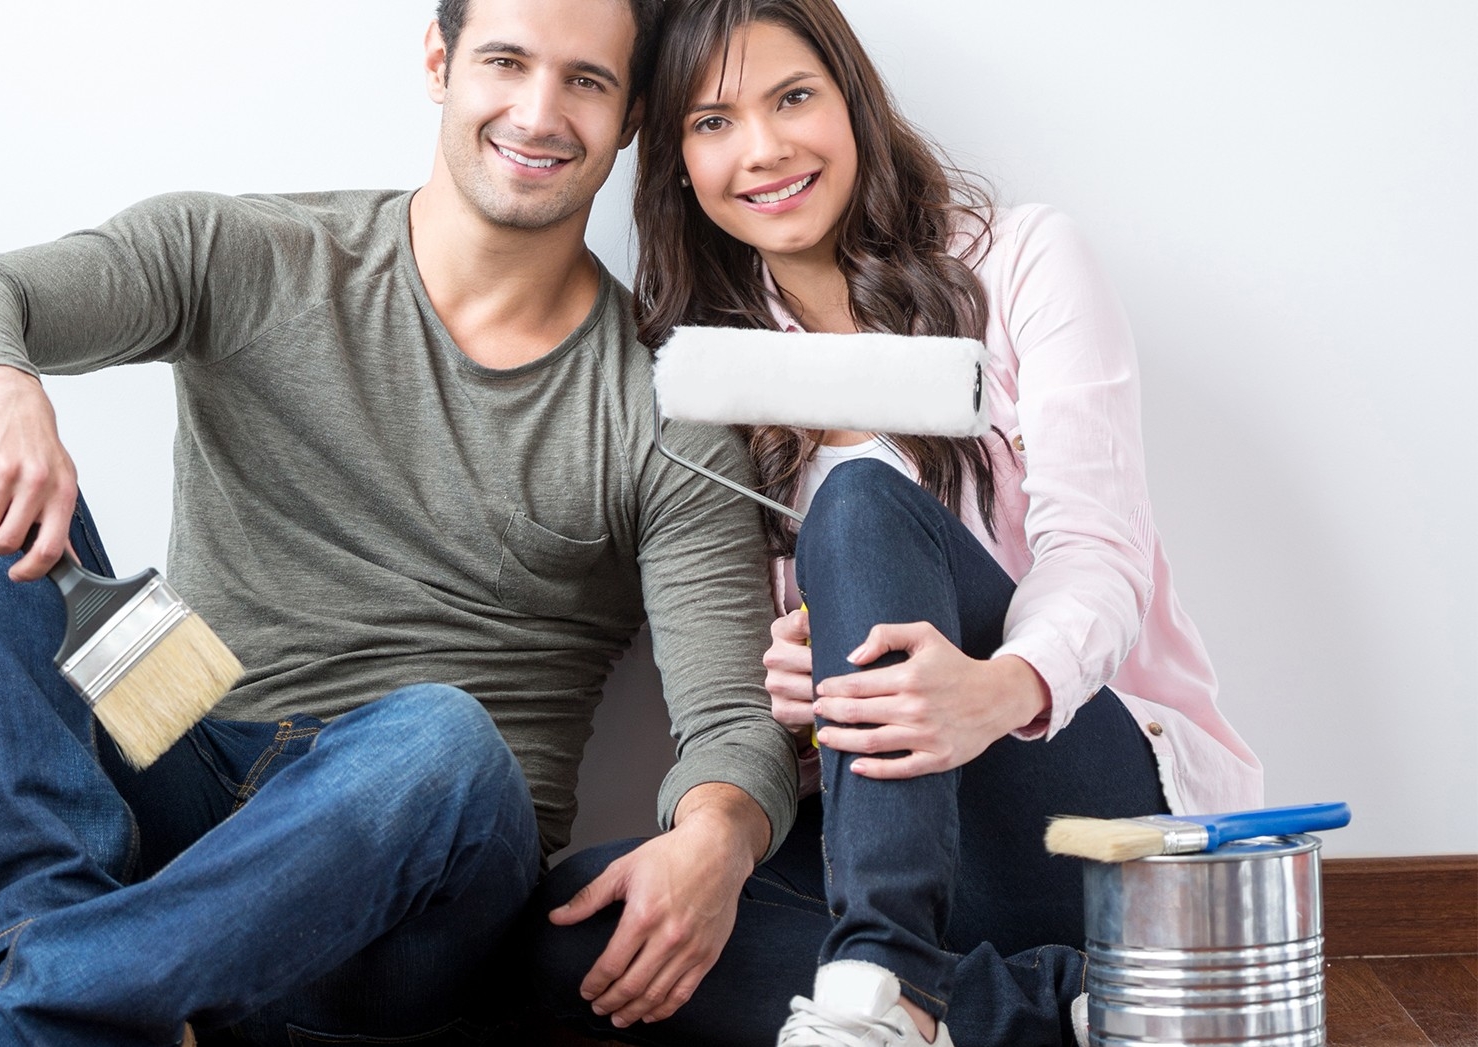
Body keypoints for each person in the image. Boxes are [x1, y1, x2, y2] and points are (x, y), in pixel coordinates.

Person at [0, 1, 805, 1046]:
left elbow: (730, 726)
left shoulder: (662, 409)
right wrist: (4, 386)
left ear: (632, 116)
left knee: (445, 741)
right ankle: (62, 992)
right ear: (440, 62)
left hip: (423, 893)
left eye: (587, 82)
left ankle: (3, 1032)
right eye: (505, 61)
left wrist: (717, 837)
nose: (538, 111)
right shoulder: (251, 253)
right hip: (189, 737)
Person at [530, 1, 1264, 1045]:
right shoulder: (710, 371)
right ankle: (1049, 1008)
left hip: (1088, 817)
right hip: (913, 855)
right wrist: (793, 698)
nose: (765, 148)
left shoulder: (1020, 261)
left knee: (865, 499)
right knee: (592, 922)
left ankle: (884, 982)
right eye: (713, 121)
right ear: (676, 161)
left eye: (794, 99)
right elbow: (757, 685)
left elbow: (1099, 555)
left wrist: (994, 691)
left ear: (853, 103)